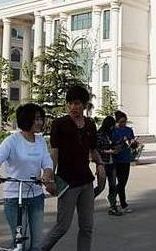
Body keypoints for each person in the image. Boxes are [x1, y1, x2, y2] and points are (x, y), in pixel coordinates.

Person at [41, 85, 106, 251]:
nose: (72, 107)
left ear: (84, 105)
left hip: (86, 182)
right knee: (62, 226)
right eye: (69, 103)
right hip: (67, 182)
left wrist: (100, 165)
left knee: (87, 227)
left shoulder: (90, 124)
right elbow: (54, 154)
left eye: (76, 103)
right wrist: (49, 179)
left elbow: (93, 150)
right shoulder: (59, 124)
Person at [0, 103, 54, 251]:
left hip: (36, 196)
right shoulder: (12, 141)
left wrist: (46, 175)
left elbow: (47, 163)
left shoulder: (41, 141)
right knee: (20, 242)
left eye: (41, 119)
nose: (40, 122)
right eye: (36, 119)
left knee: (37, 244)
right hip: (14, 197)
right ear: (26, 120)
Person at [110, 110, 139, 213]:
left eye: (125, 121)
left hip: (126, 159)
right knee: (119, 182)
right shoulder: (113, 131)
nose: (123, 124)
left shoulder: (129, 130)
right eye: (121, 122)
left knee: (123, 182)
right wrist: (121, 141)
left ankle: (114, 197)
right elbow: (111, 144)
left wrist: (134, 143)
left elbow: (132, 143)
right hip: (116, 159)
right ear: (117, 121)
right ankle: (122, 204)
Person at [94, 115, 122, 216]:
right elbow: (96, 150)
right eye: (111, 125)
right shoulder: (99, 135)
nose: (112, 127)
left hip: (112, 163)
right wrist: (108, 151)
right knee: (101, 187)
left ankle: (113, 207)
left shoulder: (110, 134)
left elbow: (112, 144)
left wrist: (117, 145)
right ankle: (86, 201)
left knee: (113, 186)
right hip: (103, 163)